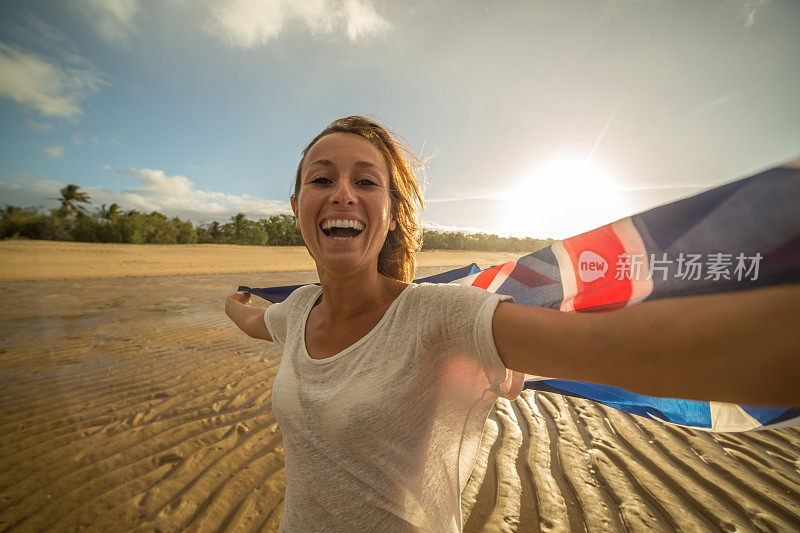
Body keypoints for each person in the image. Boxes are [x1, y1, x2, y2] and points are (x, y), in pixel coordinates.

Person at [225, 116, 799, 531]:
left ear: (393, 213)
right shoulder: (297, 308)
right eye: (322, 180)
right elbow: (257, 322)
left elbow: (626, 348)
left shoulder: (437, 314)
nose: (342, 193)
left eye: (366, 181)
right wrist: (236, 303)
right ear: (297, 205)